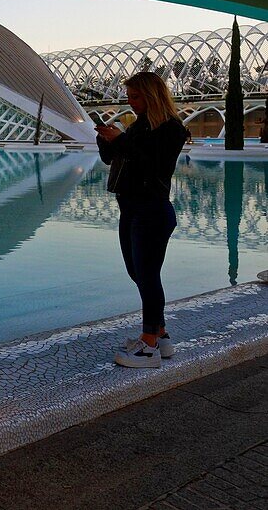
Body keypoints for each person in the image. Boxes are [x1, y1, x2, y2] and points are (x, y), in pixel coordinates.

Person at [96, 71, 189, 369]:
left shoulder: (171, 129)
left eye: (135, 96)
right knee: (138, 273)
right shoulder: (140, 126)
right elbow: (113, 159)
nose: (131, 102)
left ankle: (149, 346)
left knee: (148, 275)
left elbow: (154, 165)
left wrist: (121, 140)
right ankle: (160, 335)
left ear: (151, 95)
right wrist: (106, 139)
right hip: (132, 209)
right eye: (129, 96)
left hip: (152, 210)